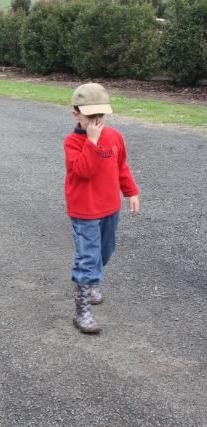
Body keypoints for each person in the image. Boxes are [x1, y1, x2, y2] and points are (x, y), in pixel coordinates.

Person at [64, 83, 140, 334]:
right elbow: (83, 171)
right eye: (90, 116)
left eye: (101, 116)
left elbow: (121, 167)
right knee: (88, 257)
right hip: (84, 210)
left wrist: (131, 192)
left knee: (105, 251)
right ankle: (81, 310)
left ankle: (93, 280)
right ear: (76, 114)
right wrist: (92, 142)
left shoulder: (115, 136)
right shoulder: (73, 143)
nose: (97, 121)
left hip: (109, 207)